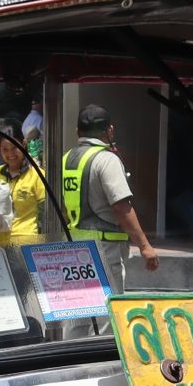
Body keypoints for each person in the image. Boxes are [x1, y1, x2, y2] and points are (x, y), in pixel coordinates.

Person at [60, 103, 156, 272]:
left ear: (78, 132)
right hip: (104, 250)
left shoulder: (65, 159)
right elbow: (120, 206)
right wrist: (144, 246)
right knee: (108, 298)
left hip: (73, 248)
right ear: (110, 130)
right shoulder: (106, 160)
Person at [0, 133, 49, 248]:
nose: (10, 154)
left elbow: (45, 212)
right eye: (5, 149)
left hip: (25, 244)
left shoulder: (38, 175)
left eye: (14, 148)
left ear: (23, 144)